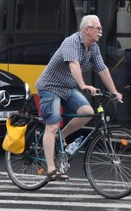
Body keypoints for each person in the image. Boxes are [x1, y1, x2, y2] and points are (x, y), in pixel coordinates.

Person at [35, 15, 122, 181]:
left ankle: (60, 136)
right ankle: (51, 168)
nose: (101, 32)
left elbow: (102, 69)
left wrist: (114, 91)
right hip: (50, 87)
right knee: (52, 125)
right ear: (86, 30)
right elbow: (73, 64)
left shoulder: (93, 47)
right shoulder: (71, 42)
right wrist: (83, 85)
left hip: (67, 88)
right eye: (98, 28)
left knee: (87, 111)